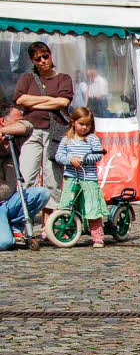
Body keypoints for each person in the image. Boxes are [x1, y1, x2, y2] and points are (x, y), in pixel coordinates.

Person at [13, 41, 73, 215]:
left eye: (45, 56)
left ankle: (49, 225)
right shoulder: (27, 78)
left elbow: (63, 102)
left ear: (50, 55)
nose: (42, 61)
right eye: (37, 59)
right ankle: (24, 221)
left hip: (54, 133)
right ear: (33, 61)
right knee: (26, 177)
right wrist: (50, 102)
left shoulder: (63, 78)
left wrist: (33, 101)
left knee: (52, 179)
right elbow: (19, 100)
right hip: (31, 131)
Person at [54, 107, 107, 247]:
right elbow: (58, 156)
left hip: (88, 178)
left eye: (88, 125)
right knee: (67, 204)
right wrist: (70, 159)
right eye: (81, 124)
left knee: (92, 205)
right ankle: (67, 231)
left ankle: (97, 236)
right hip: (71, 177)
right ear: (73, 122)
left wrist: (84, 159)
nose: (84, 127)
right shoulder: (66, 140)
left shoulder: (92, 139)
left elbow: (98, 154)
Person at [0, 103, 48, 250]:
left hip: (11, 201)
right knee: (4, 243)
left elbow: (28, 126)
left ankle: (15, 225)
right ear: (3, 120)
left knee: (41, 193)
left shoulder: (16, 139)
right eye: (17, 119)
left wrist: (2, 131)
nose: (21, 121)